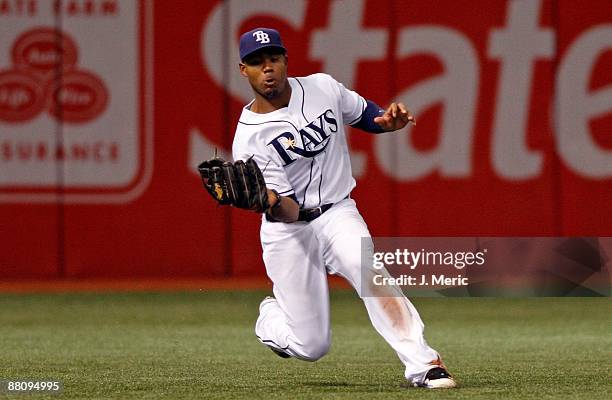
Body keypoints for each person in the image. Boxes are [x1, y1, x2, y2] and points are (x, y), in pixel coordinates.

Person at [231, 27, 456, 389]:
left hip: (338, 213)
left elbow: (366, 114)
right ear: (244, 70)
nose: (267, 68)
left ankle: (424, 364)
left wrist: (388, 121)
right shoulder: (250, 137)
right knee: (312, 345)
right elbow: (287, 211)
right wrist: (268, 200)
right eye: (257, 62)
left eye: (273, 58)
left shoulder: (322, 87)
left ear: (286, 59)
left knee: (369, 270)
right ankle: (270, 319)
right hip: (289, 230)